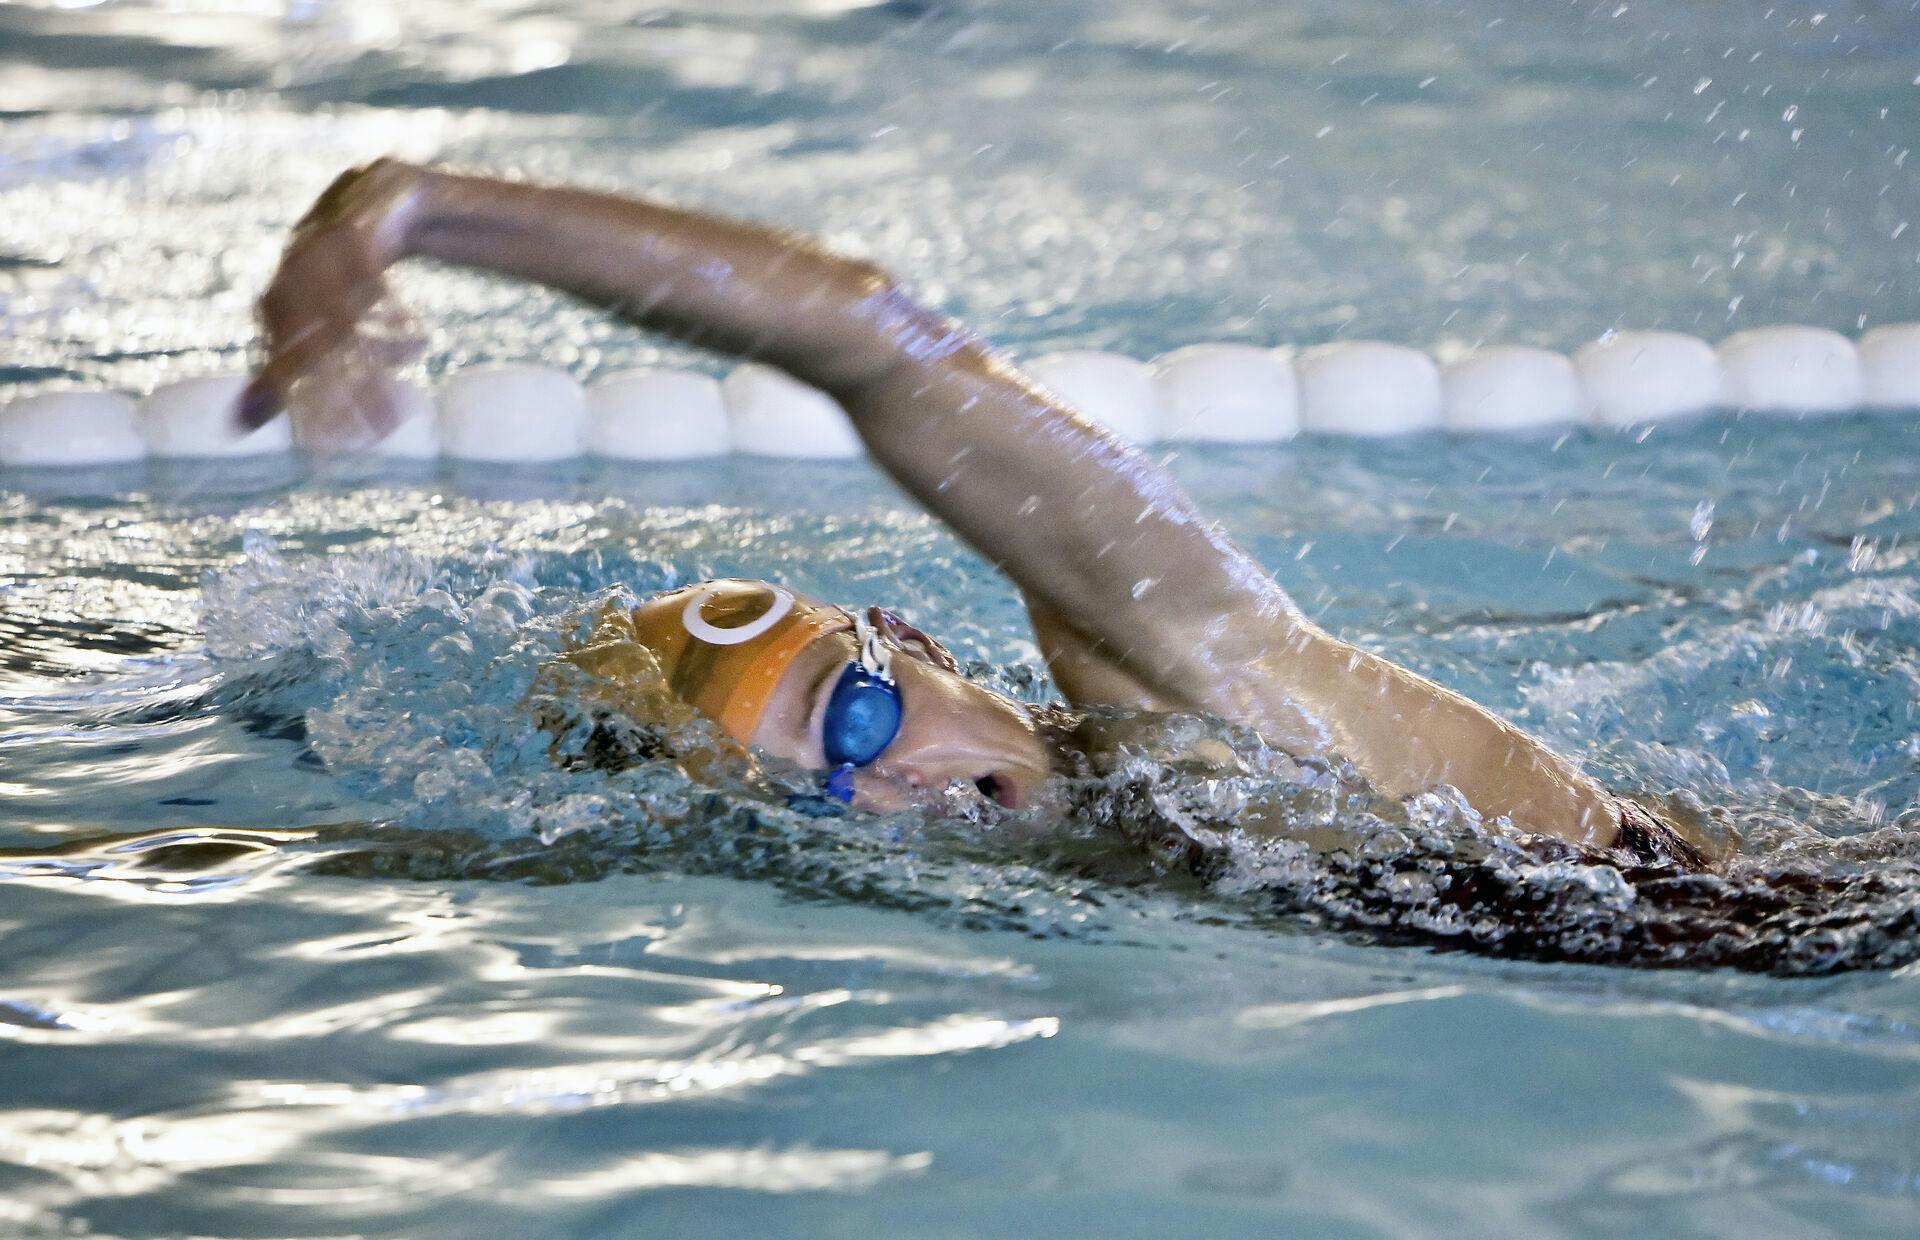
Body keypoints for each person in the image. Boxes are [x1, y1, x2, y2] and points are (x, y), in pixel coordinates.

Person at [242, 159, 1707, 868]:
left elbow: (877, 336)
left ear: (917, 642)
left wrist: (403, 210)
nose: (884, 795)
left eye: (859, 723)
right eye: (814, 795)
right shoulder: (1071, 872)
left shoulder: (1180, 690)